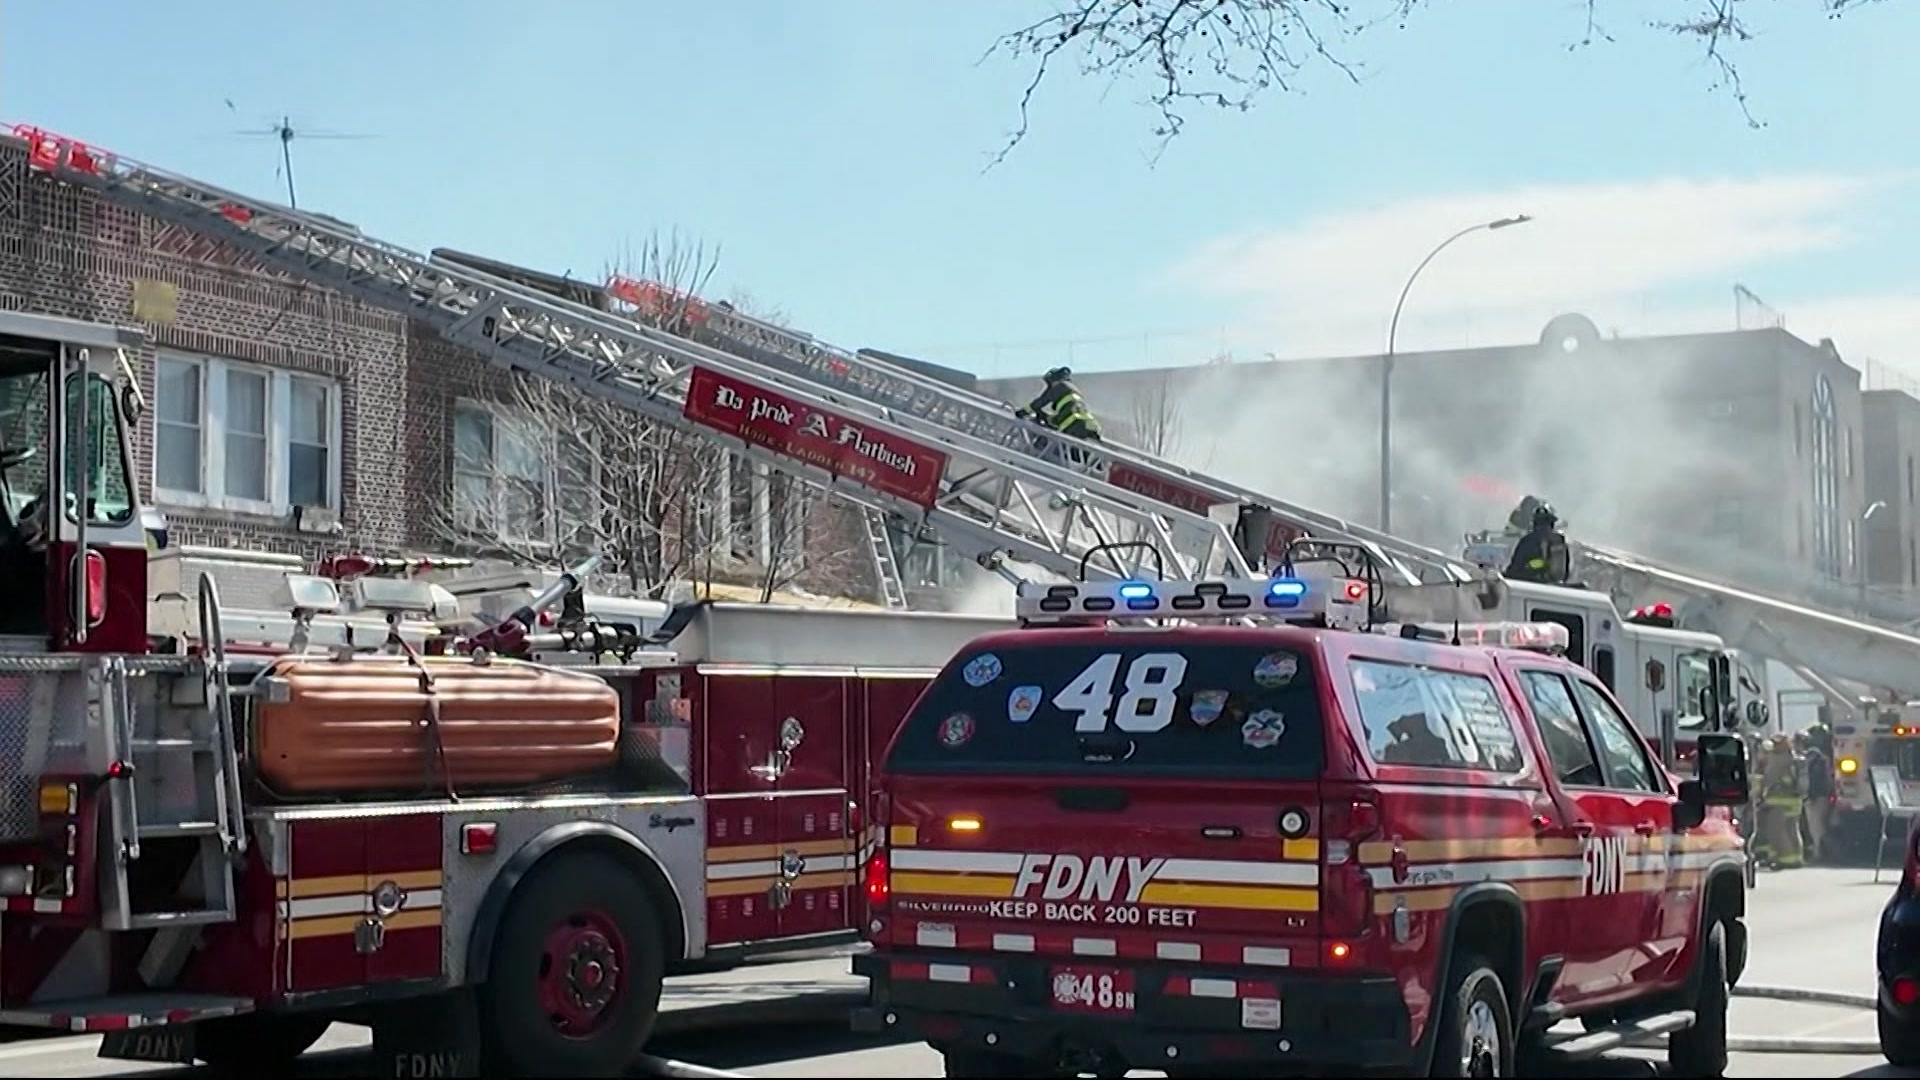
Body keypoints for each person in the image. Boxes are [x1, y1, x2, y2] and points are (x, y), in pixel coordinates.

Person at [1754, 733, 1805, 870]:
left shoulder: (1778, 759)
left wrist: (1761, 794)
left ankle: (1786, 859)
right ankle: (1795, 857)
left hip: (1779, 801)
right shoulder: (1794, 757)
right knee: (1792, 829)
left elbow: (1769, 778)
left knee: (1778, 830)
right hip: (1795, 801)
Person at [1016, 367, 1102, 441]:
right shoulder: (1073, 393)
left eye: (1050, 384)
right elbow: (1065, 416)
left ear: (1056, 380)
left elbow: (1040, 402)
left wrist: (1022, 412)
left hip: (1075, 430)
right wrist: (1045, 417)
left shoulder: (1060, 386)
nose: (1049, 388)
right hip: (1090, 427)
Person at [1504, 502, 1570, 584]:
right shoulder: (1559, 542)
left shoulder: (1528, 541)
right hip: (1549, 586)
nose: (1544, 528)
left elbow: (1515, 569)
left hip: (1532, 585)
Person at [1799, 726, 1835, 863]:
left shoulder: (1813, 761)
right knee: (1820, 824)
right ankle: (1821, 850)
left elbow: (1813, 780)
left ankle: (1819, 852)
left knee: (1815, 825)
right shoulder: (1824, 759)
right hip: (1823, 795)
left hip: (1816, 796)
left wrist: (1810, 795)